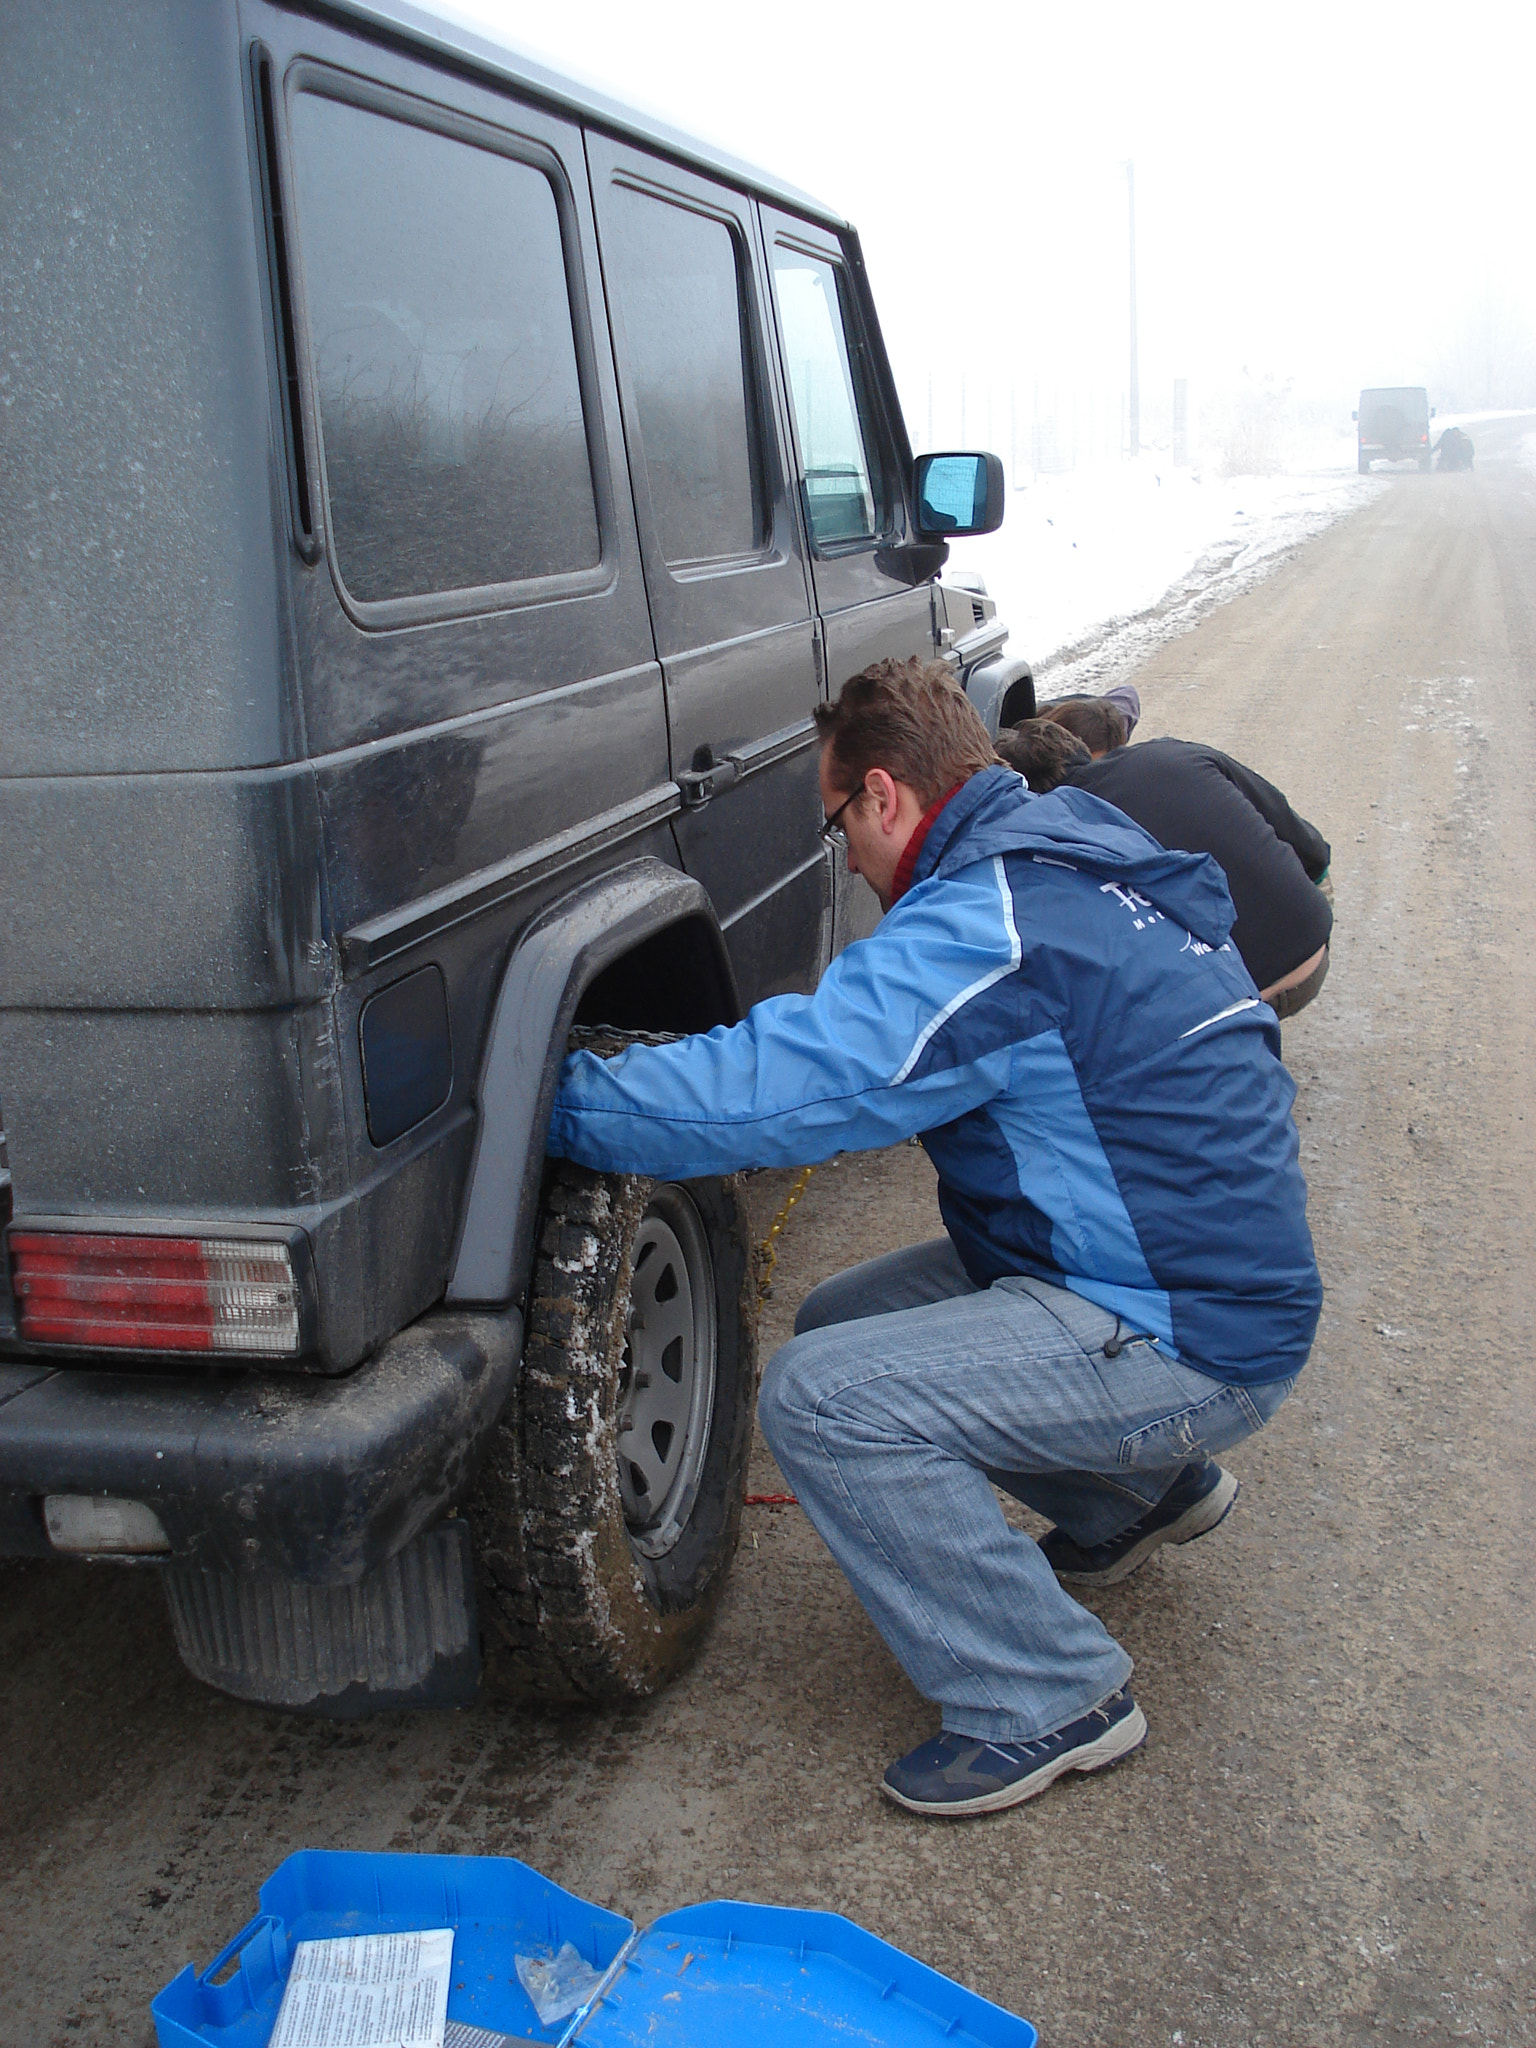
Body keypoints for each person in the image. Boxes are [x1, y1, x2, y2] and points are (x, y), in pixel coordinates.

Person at [547, 658, 1321, 1818]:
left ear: (881, 795)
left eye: (834, 826)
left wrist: (551, 1101)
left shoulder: (983, 925)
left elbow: (785, 1090)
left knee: (822, 1397)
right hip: (1174, 1272)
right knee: (842, 1320)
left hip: (1191, 1327)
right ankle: (1143, 1496)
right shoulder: (1071, 848)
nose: (844, 858)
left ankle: (1048, 1692)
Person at [997, 716, 1333, 1016]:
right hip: (1312, 949)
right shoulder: (1177, 754)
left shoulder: (1055, 834)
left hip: (1224, 1006)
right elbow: (1310, 849)